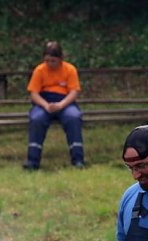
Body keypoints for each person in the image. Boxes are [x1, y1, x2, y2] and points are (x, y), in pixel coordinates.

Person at [24, 40, 84, 170]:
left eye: (53, 61)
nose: (50, 64)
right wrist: (46, 105)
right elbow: (33, 93)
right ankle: (32, 161)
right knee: (36, 119)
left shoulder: (70, 69)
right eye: (47, 61)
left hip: (65, 102)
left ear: (60, 59)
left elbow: (74, 92)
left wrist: (61, 105)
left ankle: (78, 159)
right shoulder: (39, 70)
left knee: (74, 117)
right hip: (43, 102)